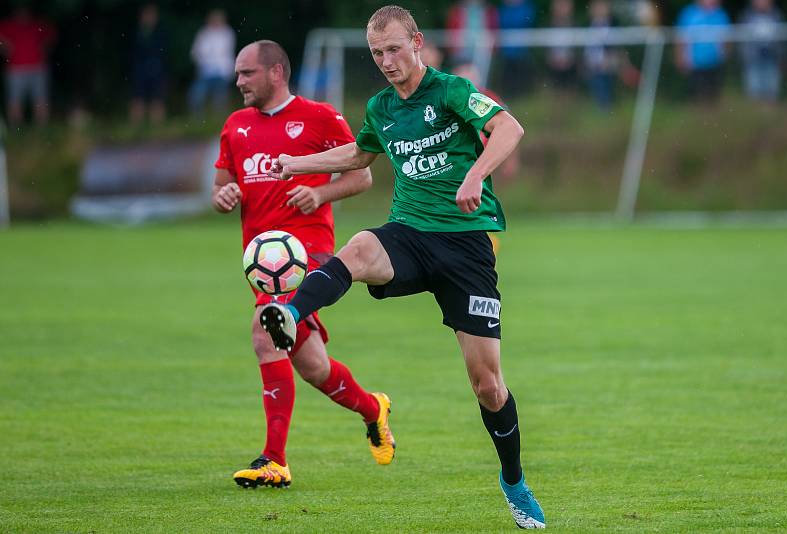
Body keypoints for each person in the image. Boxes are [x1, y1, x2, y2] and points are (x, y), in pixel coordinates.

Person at [260, 5, 545, 529]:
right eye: (376, 53)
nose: (387, 61)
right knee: (359, 249)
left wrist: (476, 174)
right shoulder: (382, 107)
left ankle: (513, 479)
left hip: (465, 247)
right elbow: (358, 155)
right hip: (409, 233)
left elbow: (510, 129)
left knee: (488, 383)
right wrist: (298, 163)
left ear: (416, 41)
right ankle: (289, 313)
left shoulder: (453, 90)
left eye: (394, 49)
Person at [213, 40, 394, 489]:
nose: (238, 82)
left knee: (263, 333)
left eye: (246, 73)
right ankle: (374, 409)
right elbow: (221, 186)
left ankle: (274, 459)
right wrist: (225, 196)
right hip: (260, 262)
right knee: (312, 365)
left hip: (306, 253)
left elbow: (363, 174)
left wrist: (320, 193)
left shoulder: (319, 117)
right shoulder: (236, 126)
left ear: (276, 72)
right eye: (238, 74)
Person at [0, 7, 57, 126]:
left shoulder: (38, 24)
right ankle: (16, 129)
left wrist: (44, 47)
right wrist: (5, 46)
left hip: (38, 68)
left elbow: (51, 35)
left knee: (41, 99)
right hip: (15, 69)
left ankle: (42, 129)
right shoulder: (7, 25)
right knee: (15, 100)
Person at [675, 0, 731, 104]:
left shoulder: (721, 14)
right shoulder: (688, 13)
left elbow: (727, 40)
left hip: (716, 64)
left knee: (714, 97)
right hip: (694, 64)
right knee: (698, 97)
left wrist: (725, 57)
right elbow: (680, 38)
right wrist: (680, 58)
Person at [189, 9, 236, 117]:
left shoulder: (227, 33)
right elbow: (196, 52)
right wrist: (202, 63)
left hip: (222, 72)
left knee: (220, 98)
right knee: (197, 96)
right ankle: (198, 119)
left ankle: (219, 121)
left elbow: (226, 53)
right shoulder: (204, 33)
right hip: (205, 71)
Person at [738, 0, 784, 103]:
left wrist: (781, 56)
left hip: (772, 56)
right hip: (753, 57)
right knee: (754, 86)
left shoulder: (776, 15)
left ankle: (770, 111)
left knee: (772, 86)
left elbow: (781, 38)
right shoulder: (747, 16)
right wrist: (745, 56)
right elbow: (741, 38)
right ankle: (755, 112)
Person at [130, 4, 168, 124]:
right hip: (140, 69)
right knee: (138, 97)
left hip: (157, 68)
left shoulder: (160, 32)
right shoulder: (137, 32)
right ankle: (137, 124)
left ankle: (157, 125)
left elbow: (164, 52)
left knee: (157, 98)